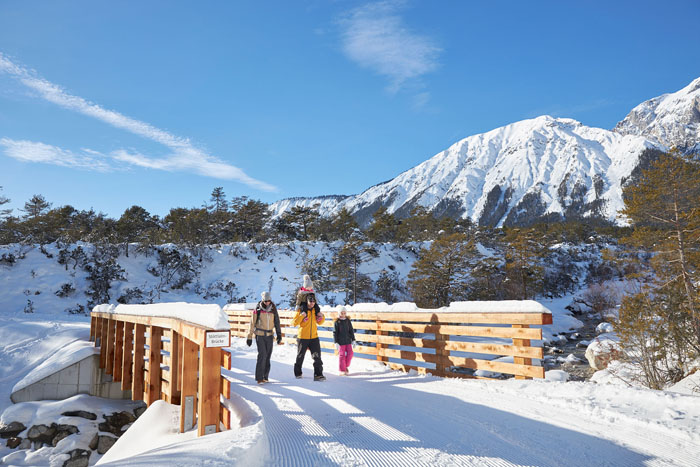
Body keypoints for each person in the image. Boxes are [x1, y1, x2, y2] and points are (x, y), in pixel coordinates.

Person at [246, 291, 282, 384]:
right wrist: (249, 336)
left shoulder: (273, 309)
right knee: (262, 355)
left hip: (270, 336)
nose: (267, 302)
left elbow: (277, 322)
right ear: (263, 300)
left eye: (269, 301)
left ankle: (265, 377)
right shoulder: (257, 309)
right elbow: (252, 323)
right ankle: (259, 378)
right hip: (260, 335)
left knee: (268, 356)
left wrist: (279, 335)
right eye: (265, 301)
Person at [292, 289, 326, 381]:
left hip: (314, 337)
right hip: (303, 337)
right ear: (306, 301)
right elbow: (294, 322)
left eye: (313, 301)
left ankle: (318, 374)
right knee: (300, 356)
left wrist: (322, 317)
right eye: (310, 301)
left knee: (317, 356)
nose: (312, 303)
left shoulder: (316, 310)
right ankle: (298, 372)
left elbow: (320, 323)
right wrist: (302, 316)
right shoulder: (301, 310)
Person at [333, 309, 356, 375]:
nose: (343, 314)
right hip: (340, 342)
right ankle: (342, 370)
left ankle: (345, 366)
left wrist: (353, 340)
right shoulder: (337, 322)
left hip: (348, 341)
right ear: (339, 314)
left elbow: (351, 330)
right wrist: (336, 342)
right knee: (342, 355)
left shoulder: (348, 321)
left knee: (350, 353)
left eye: (344, 313)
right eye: (342, 313)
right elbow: (335, 333)